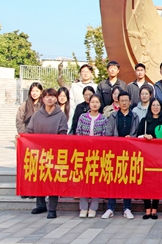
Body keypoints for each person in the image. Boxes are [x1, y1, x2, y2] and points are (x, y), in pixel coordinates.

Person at [26, 88, 68, 218]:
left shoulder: (60, 115)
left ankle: (52, 208)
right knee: (40, 179)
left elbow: (63, 133)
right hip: (38, 153)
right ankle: (40, 205)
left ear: (56, 99)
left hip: (54, 154)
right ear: (43, 99)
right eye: (47, 96)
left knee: (53, 180)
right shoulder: (36, 115)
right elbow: (29, 132)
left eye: (52, 96)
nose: (50, 99)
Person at [102, 91, 139, 220]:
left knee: (127, 180)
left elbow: (136, 133)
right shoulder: (113, 116)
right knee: (113, 180)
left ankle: (127, 208)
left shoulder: (135, 116)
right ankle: (110, 208)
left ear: (130, 102)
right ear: (118, 102)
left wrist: (131, 138)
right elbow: (108, 133)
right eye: (121, 100)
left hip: (129, 153)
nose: (124, 103)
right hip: (115, 152)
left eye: (126, 100)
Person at [137, 98, 162, 219]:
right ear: (150, 107)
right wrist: (144, 136)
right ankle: (147, 209)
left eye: (158, 105)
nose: (155, 107)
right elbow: (137, 137)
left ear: (161, 107)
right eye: (153, 105)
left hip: (159, 157)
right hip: (146, 156)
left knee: (157, 183)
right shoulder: (144, 121)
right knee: (146, 183)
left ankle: (154, 209)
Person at [75, 94, 106, 218]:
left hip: (97, 154)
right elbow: (78, 132)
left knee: (95, 181)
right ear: (89, 103)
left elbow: (104, 135)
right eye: (93, 102)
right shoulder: (82, 117)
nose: (94, 104)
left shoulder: (103, 118)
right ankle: (83, 207)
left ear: (100, 104)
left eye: (97, 102)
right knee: (83, 180)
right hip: (84, 153)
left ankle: (93, 207)